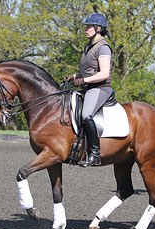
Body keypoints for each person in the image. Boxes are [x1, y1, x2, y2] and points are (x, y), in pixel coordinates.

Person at [65, 13, 113, 167]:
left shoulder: (104, 48)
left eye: (89, 26)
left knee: (86, 115)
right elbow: (88, 70)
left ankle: (95, 154)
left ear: (98, 28)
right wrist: (74, 76)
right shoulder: (88, 47)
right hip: (88, 87)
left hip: (100, 88)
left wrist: (83, 80)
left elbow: (103, 73)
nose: (86, 29)